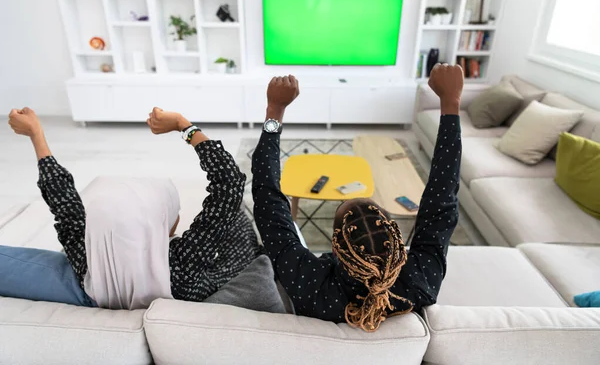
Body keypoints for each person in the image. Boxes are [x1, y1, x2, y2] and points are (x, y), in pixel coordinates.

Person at [252, 65, 463, 332]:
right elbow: (441, 199)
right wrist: (451, 103)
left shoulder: (309, 282)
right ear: (397, 240)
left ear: (337, 246)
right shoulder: (420, 281)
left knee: (287, 229)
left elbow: (266, 196)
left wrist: (275, 110)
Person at [1, 107, 260, 309]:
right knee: (236, 219)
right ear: (161, 226)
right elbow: (229, 184)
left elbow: (64, 202)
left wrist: (36, 134)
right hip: (227, 264)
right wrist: (184, 125)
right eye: (172, 213)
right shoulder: (182, 266)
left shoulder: (89, 263)